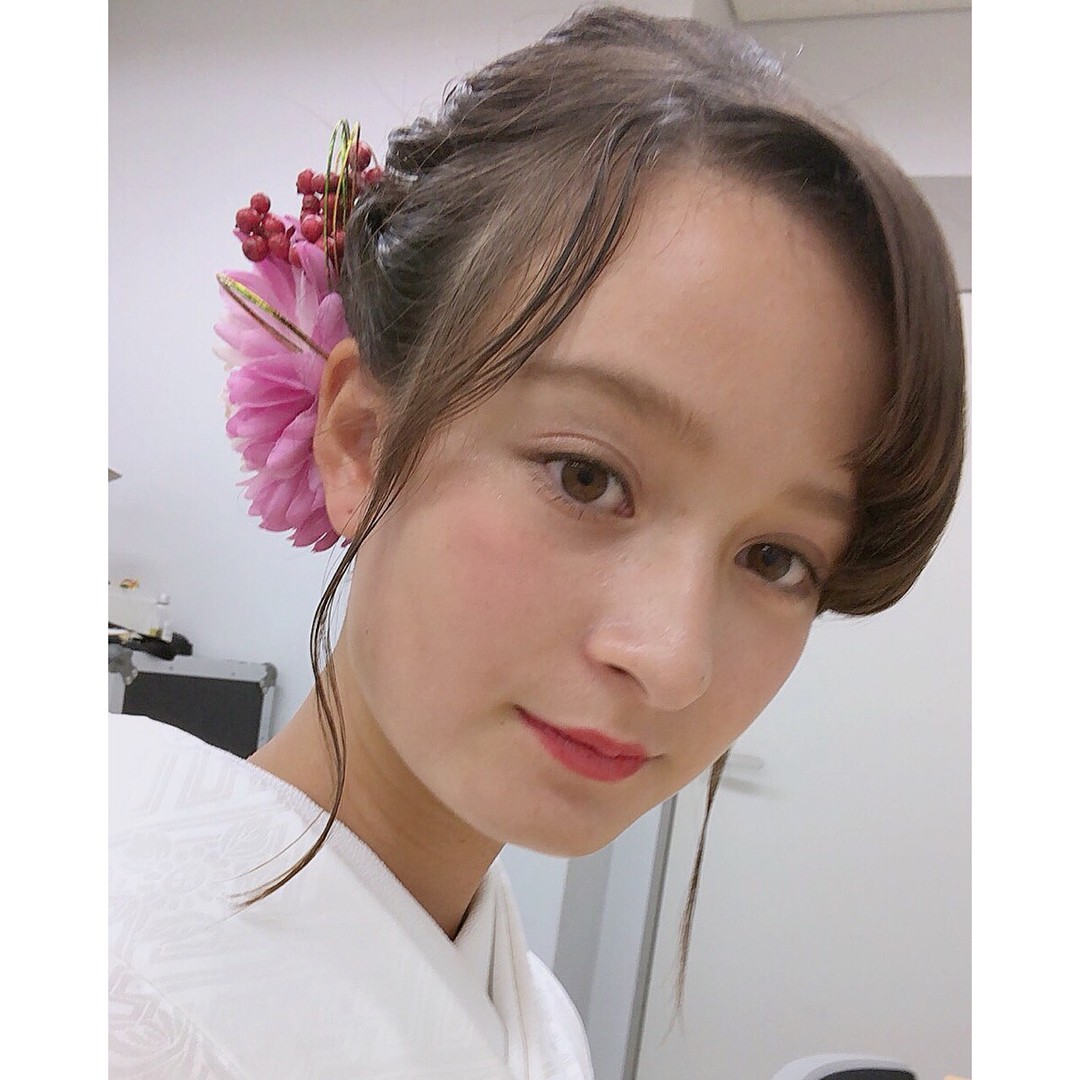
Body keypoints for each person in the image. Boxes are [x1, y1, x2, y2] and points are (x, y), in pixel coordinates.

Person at [108, 6, 965, 1079]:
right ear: (362, 440)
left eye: (775, 558)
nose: (673, 661)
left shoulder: (540, 1021)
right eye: (586, 477)